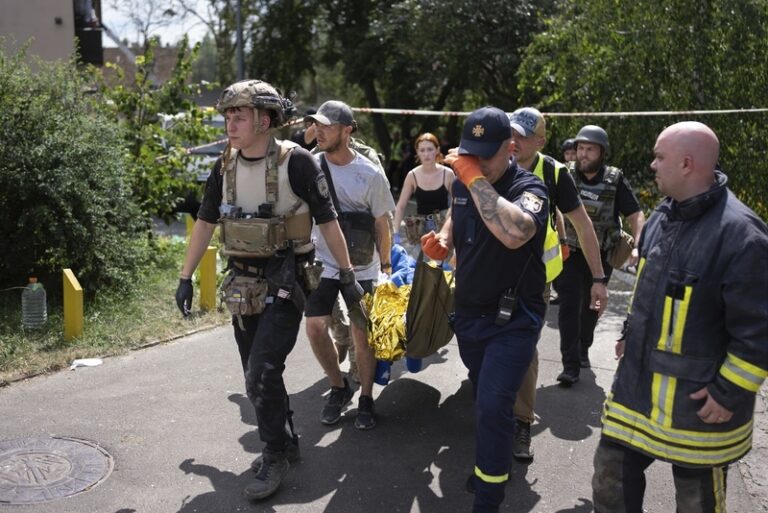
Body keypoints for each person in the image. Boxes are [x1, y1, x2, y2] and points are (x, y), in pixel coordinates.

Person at [174, 80, 365, 501]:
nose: (230, 124)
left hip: (286, 279)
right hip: (241, 283)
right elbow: (205, 222)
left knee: (262, 371)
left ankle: (274, 455)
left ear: (265, 119)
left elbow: (329, 221)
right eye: (227, 116)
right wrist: (185, 276)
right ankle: (288, 440)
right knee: (255, 374)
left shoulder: (297, 163)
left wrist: (348, 277)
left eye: (238, 115)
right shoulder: (223, 165)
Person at [592, 121, 768, 513]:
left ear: (687, 164)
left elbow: (759, 330)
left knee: (696, 502)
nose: (652, 165)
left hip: (698, 408)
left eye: (659, 157)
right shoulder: (661, 216)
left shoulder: (742, 234)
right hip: (635, 392)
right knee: (610, 479)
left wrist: (729, 391)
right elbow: (649, 289)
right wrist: (628, 332)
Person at [423, 106, 549, 513]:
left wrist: (471, 176)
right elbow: (458, 217)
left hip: (514, 318)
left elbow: (516, 232)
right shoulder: (464, 183)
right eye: (470, 154)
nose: (476, 163)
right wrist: (443, 238)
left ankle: (489, 498)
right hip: (471, 314)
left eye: (485, 155)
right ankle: (490, 466)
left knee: (495, 405)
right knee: (484, 397)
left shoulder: (530, 188)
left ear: (511, 148)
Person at [506, 107, 607, 461]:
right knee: (484, 343)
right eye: (510, 133)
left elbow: (583, 225)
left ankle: (520, 422)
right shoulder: (490, 159)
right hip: (487, 274)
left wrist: (598, 277)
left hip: (534, 277)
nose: (513, 140)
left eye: (522, 135)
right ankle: (492, 405)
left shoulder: (553, 172)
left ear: (541, 141)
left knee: (523, 347)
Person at [304, 100, 396, 430]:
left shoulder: (369, 174)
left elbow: (382, 223)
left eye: (327, 126)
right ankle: (338, 387)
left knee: (362, 332)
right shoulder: (310, 165)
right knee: (314, 326)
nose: (320, 131)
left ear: (347, 130)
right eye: (317, 125)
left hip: (364, 266)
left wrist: (386, 264)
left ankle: (367, 398)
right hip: (325, 262)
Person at [557, 124, 646, 385]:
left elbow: (635, 214)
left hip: (602, 255)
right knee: (569, 305)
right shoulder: (565, 175)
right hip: (570, 253)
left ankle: (585, 343)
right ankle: (570, 364)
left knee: (593, 305)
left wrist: (640, 242)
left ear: (602, 153)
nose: (583, 154)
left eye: (590, 150)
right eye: (580, 149)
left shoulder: (614, 180)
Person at [393, 132, 456, 248]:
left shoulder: (448, 174)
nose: (426, 154)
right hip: (420, 231)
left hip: (443, 229)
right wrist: (395, 231)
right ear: (417, 152)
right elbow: (401, 205)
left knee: (442, 264)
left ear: (437, 150)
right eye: (422, 150)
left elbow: (456, 202)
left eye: (430, 149)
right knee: (420, 264)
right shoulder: (412, 175)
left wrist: (449, 225)